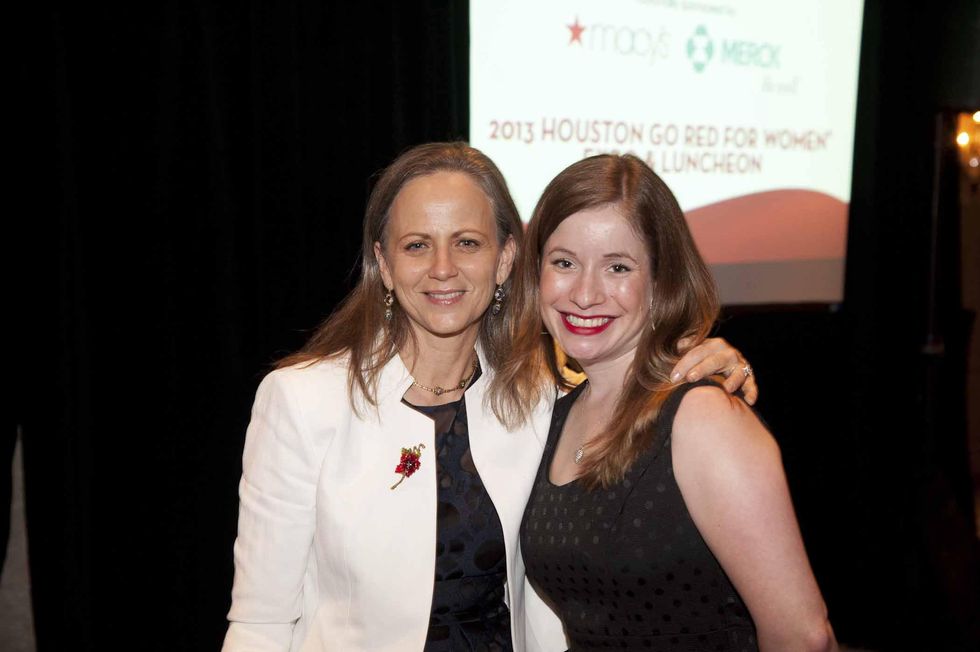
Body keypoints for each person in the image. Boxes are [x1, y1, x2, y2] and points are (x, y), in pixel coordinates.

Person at [222, 143, 756, 651]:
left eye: (467, 243)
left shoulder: (544, 397)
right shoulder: (302, 400)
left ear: (504, 259)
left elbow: (631, 379)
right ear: (384, 264)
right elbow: (260, 622)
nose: (442, 268)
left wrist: (701, 360)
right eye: (416, 245)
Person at [514, 154, 836, 651]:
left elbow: (804, 637)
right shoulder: (553, 416)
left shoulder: (703, 418)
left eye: (617, 267)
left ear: (661, 281)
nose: (584, 293)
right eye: (564, 263)